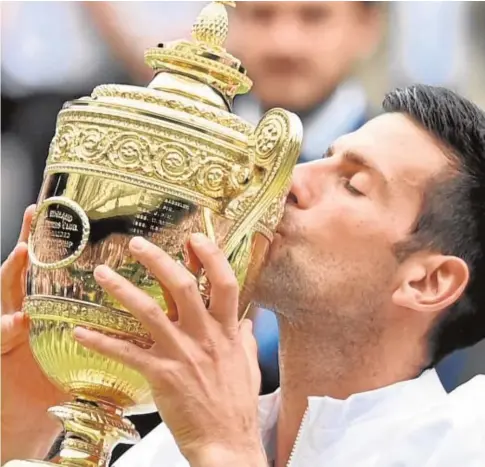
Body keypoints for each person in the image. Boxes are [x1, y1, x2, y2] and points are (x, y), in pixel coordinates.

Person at [2, 85, 485, 466]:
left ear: (428, 282)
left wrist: (226, 454)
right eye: (322, 158)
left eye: (353, 185)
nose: (293, 181)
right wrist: (23, 412)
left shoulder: (461, 443)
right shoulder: (172, 446)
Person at [228, 0, 383, 394]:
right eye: (261, 15)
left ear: (367, 26)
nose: (284, 44)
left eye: (314, 16)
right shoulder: (177, 153)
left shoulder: (416, 184)